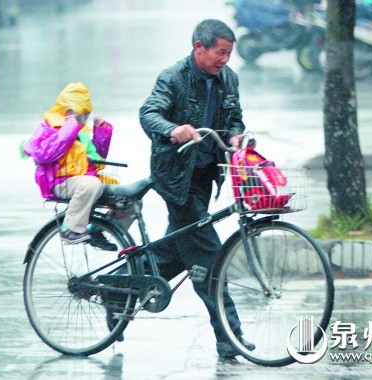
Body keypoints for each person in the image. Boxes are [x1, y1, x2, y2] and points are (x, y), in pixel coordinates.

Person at [138, 19, 252, 361]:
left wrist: (234, 135)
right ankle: (229, 335)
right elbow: (149, 114)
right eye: (220, 52)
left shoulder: (228, 78)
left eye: (229, 53)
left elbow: (235, 118)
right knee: (208, 256)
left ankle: (117, 292)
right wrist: (174, 130)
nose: (225, 60)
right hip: (175, 178)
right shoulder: (173, 76)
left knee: (175, 252)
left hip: (204, 176)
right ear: (198, 48)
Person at [22, 82, 119, 250]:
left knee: (128, 201)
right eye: (80, 116)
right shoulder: (46, 127)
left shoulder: (80, 132)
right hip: (59, 180)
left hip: (82, 178)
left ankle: (97, 230)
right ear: (66, 111)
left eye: (85, 116)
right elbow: (45, 154)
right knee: (90, 185)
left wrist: (101, 130)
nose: (82, 121)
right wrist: (69, 127)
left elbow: (97, 157)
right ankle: (71, 228)